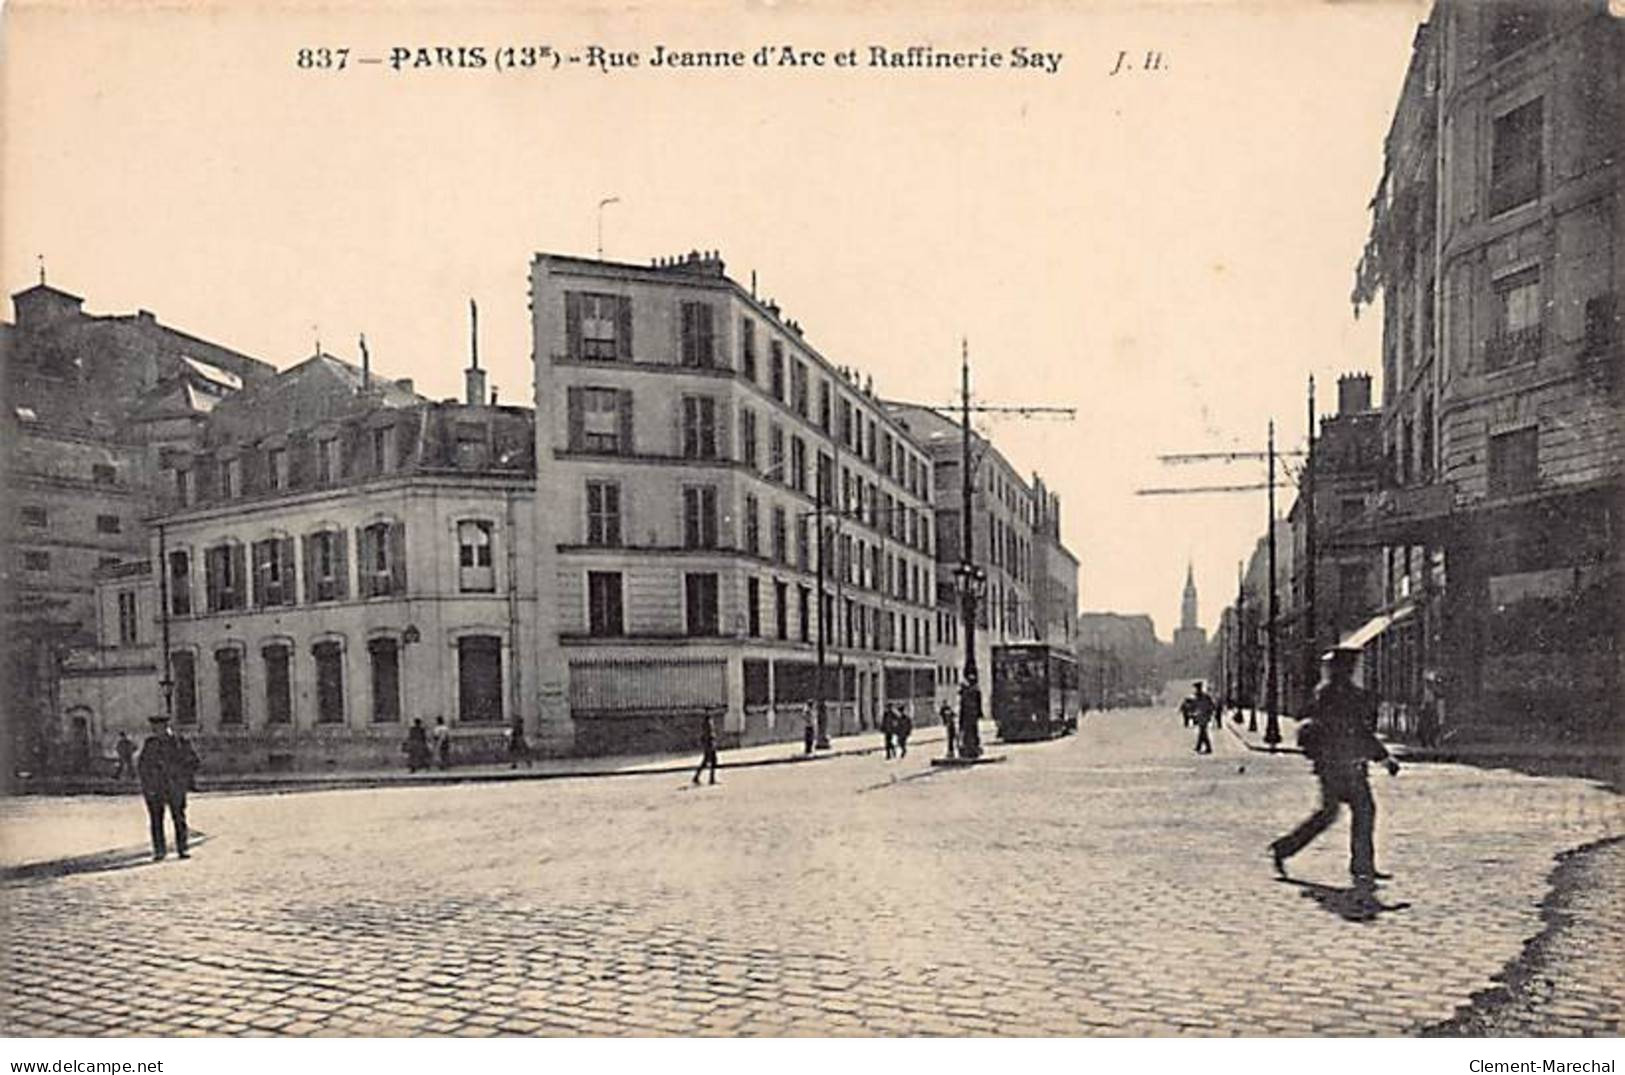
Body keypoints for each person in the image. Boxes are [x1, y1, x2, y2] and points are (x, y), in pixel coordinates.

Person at [1269, 647, 1400, 885]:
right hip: (1342, 767)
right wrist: (1383, 758)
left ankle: (1287, 849)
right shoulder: (1344, 696)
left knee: (1339, 813)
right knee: (1356, 811)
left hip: (1335, 766)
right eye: (1352, 666)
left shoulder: (1327, 693)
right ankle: (1359, 865)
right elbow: (1358, 732)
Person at [137, 714, 199, 861]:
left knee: (179, 819)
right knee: (156, 821)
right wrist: (147, 785)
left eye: (159, 728)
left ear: (167, 727)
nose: (157, 731)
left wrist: (182, 778)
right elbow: (142, 766)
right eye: (155, 729)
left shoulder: (179, 742)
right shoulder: (150, 744)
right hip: (155, 788)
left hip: (174, 787)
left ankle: (182, 848)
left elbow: (194, 761)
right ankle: (159, 851)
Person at [1185, 681, 1217, 755]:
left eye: (1198, 688)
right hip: (1200, 716)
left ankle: (1206, 747)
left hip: (1205, 716)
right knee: (1202, 732)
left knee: (1203, 731)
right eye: (1197, 689)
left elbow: (1211, 705)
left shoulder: (1206, 697)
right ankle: (1201, 746)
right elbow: (1193, 706)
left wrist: (1210, 713)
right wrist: (1191, 713)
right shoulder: (1196, 697)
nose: (1197, 690)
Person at [692, 711, 719, 786]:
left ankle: (698, 777)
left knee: (706, 761)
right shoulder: (707, 722)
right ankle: (711, 779)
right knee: (712, 760)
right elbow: (707, 734)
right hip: (709, 743)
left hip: (709, 743)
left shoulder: (708, 721)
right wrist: (711, 743)